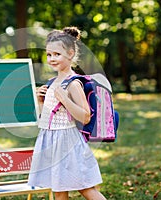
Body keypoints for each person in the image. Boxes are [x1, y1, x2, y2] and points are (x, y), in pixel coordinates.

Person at [28, 27, 107, 200]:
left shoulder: (73, 83)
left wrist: (65, 99)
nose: (52, 59)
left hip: (67, 142)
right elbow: (49, 117)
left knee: (85, 188)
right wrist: (42, 103)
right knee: (58, 189)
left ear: (70, 54)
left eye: (57, 54)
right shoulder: (53, 82)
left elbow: (85, 116)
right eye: (49, 55)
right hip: (51, 141)